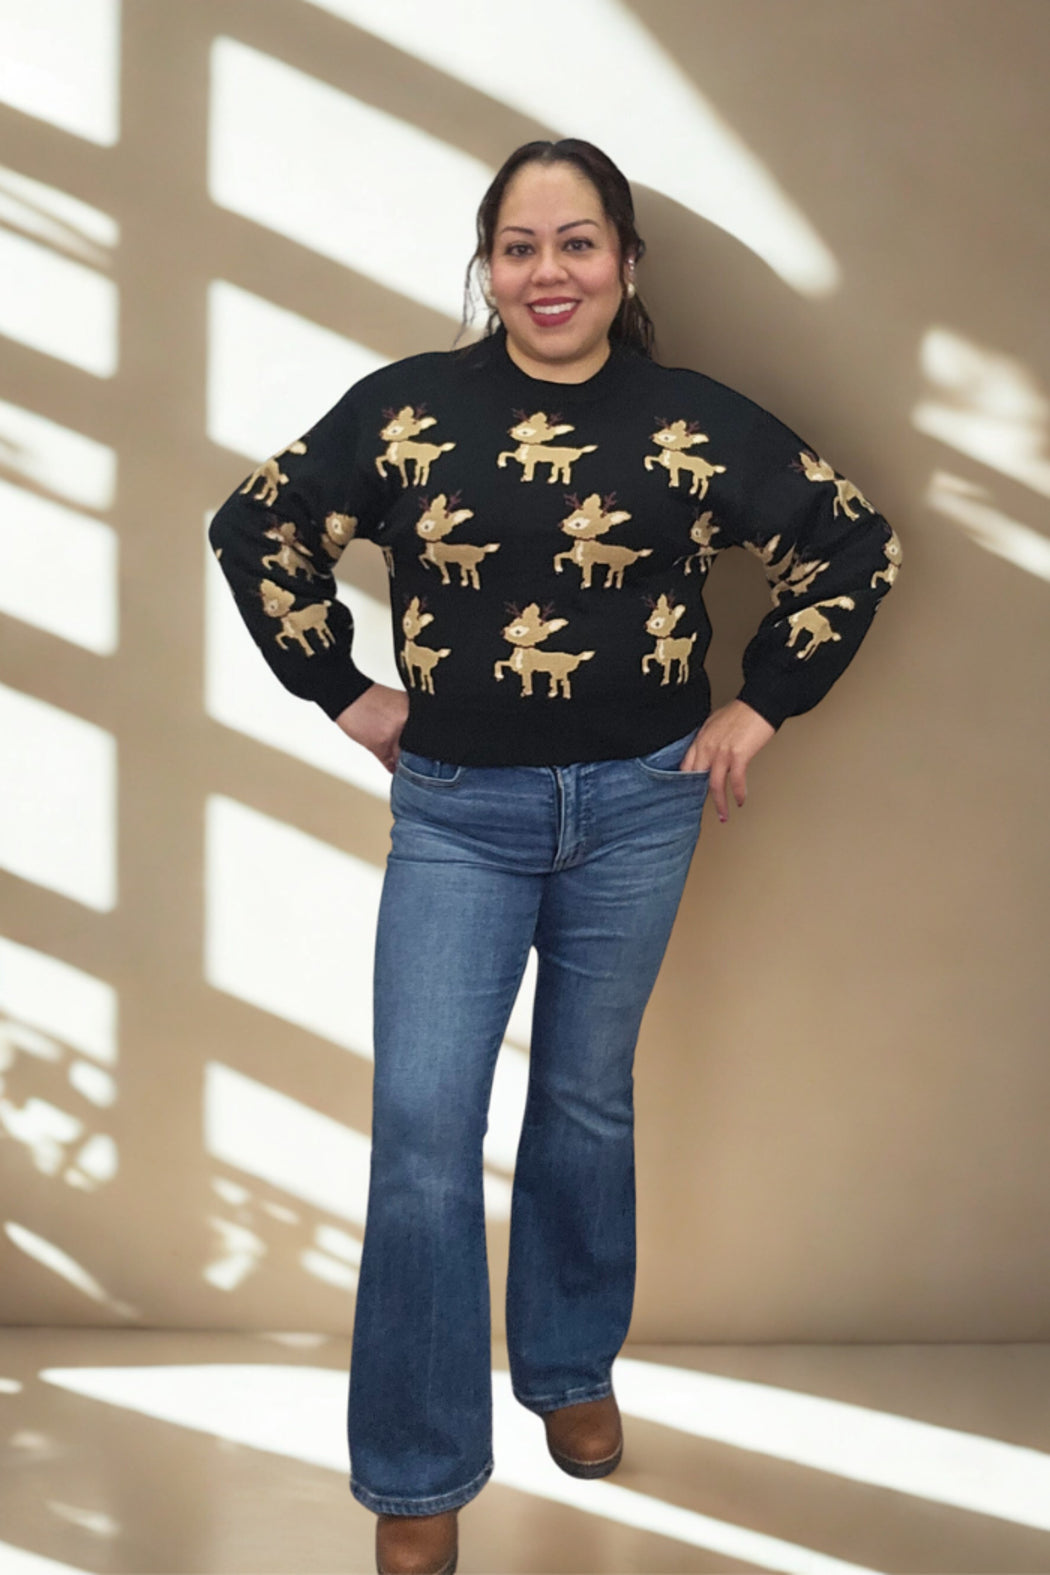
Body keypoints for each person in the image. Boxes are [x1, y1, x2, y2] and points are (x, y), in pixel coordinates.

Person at [208, 137, 902, 1575]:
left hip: (642, 807)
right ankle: (417, 1470)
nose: (548, 272)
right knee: (423, 1133)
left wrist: (761, 705)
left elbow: (850, 547)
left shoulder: (692, 421)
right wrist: (342, 693)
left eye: (576, 242)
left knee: (584, 1099)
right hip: (458, 812)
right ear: (488, 266)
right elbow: (256, 524)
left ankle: (571, 1369)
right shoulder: (411, 412)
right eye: (519, 246)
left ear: (624, 264)